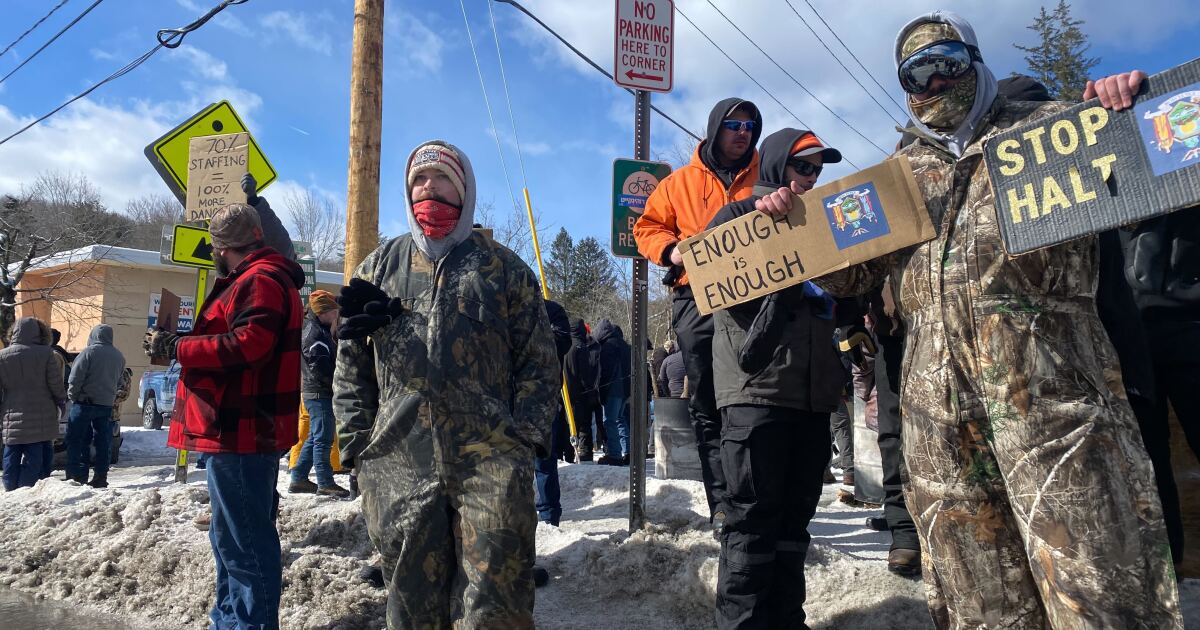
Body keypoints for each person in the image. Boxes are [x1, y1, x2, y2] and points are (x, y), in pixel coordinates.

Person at [755, 13, 1182, 627]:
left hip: (1052, 410)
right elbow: (854, 277)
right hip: (943, 425)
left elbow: (1161, 162)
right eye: (915, 74)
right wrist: (791, 222)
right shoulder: (899, 176)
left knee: (1097, 589)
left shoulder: (1051, 131)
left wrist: (1130, 110)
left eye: (945, 63)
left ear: (975, 61)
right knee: (979, 597)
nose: (932, 83)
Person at [333, 140, 558, 628]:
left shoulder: (503, 269)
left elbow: (539, 361)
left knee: (495, 604)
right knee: (412, 607)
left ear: (465, 189)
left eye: (441, 178)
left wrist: (525, 439)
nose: (428, 187)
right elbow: (351, 370)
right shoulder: (376, 270)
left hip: (490, 462)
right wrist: (357, 449)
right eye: (418, 179)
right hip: (398, 465)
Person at [706, 128, 846, 628]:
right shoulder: (738, 218)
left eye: (817, 169)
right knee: (750, 524)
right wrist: (777, 244)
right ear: (776, 166)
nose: (811, 177)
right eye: (801, 166)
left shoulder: (824, 226)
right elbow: (726, 298)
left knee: (794, 525)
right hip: (755, 395)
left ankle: (787, 620)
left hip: (812, 398)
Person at [146, 202, 304, 629]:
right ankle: (229, 620)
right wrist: (179, 342)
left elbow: (249, 344)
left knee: (244, 545)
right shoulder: (254, 278)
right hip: (236, 430)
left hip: (241, 433)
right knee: (230, 541)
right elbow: (236, 339)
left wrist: (177, 348)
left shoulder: (259, 280)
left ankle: (247, 624)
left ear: (219, 248)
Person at [634, 98, 763, 525]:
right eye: (733, 124)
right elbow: (646, 227)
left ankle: (758, 501)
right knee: (707, 403)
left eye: (749, 125)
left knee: (754, 403)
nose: (742, 132)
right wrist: (670, 252)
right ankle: (723, 506)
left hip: (756, 298)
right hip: (697, 299)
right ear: (714, 128)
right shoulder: (678, 183)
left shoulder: (767, 177)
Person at [291, 289, 349, 498]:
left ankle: (298, 477)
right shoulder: (315, 334)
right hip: (319, 392)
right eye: (334, 311)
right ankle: (325, 482)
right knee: (324, 438)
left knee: (316, 436)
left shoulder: (317, 330)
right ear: (324, 312)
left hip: (314, 391)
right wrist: (337, 382)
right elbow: (319, 367)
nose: (336, 315)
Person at [0, 318, 66, 491]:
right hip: (41, 413)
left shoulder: (3, 356)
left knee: (11, 453)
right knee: (34, 455)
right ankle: (26, 488)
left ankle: (10, 488)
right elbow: (56, 384)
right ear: (41, 333)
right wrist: (61, 401)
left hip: (11, 412)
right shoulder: (47, 354)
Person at [65, 324, 126, 488]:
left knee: (76, 439)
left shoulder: (88, 353)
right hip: (105, 405)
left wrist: (73, 396)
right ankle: (100, 476)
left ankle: (76, 475)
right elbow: (120, 382)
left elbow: (75, 377)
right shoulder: (119, 356)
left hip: (84, 403)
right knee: (102, 441)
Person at [536, 298, 572, 526]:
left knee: (544, 460)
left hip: (544, 395)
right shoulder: (502, 306)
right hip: (507, 394)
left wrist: (529, 337)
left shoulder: (552, 310)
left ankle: (549, 515)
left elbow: (563, 342)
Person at [594, 319, 631, 466]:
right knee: (621, 419)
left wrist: (601, 391)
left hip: (613, 389)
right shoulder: (624, 346)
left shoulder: (608, 347)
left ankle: (615, 455)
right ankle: (628, 451)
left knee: (609, 421)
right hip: (625, 388)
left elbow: (606, 371)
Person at [565, 318, 603, 461]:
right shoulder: (580, 347)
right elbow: (585, 372)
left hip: (566, 392)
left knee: (568, 425)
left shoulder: (565, 345)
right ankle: (585, 454)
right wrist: (590, 388)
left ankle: (568, 455)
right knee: (584, 425)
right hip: (581, 392)